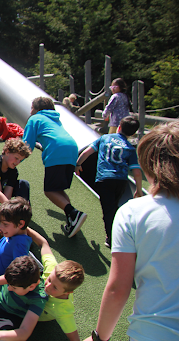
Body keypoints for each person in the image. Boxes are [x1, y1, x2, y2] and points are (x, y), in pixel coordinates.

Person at [83, 122, 179, 341]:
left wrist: (99, 337)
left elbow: (118, 288)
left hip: (154, 332)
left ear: (149, 164)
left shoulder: (133, 213)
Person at [0, 228, 85, 341]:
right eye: (50, 280)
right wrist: (22, 227)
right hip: (18, 292)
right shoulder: (53, 268)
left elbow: (75, 338)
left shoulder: (63, 310)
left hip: (26, 315)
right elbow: (43, 243)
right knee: (22, 265)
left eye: (55, 288)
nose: (47, 286)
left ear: (68, 292)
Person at [23, 96, 86, 238]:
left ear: (37, 109)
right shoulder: (55, 119)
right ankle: (71, 219)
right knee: (58, 189)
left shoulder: (35, 118)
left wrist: (12, 161)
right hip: (72, 150)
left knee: (50, 191)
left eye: (32, 107)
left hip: (57, 151)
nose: (30, 110)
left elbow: (26, 145)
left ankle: (74, 213)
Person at [75, 116, 143, 248]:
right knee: (113, 207)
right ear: (133, 133)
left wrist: (78, 164)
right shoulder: (130, 148)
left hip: (104, 179)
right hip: (120, 181)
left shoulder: (105, 138)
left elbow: (87, 152)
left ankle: (111, 238)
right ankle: (118, 231)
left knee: (108, 211)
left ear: (119, 127)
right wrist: (138, 190)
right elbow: (137, 172)